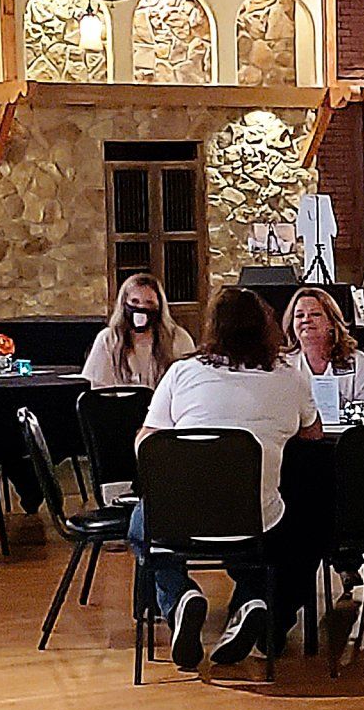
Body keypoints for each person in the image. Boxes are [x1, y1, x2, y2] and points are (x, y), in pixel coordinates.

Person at [132, 287, 323, 670]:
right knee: (298, 525)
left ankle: (179, 597)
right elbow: (313, 436)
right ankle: (254, 599)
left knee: (140, 524)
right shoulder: (289, 377)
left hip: (180, 519)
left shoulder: (182, 372)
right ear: (266, 327)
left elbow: (145, 444)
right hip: (255, 519)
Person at [83, 272, 193, 389]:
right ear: (124, 304)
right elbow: (99, 391)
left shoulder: (179, 338)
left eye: (149, 303)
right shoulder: (107, 339)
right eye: (135, 301)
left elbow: (189, 382)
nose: (141, 307)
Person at [283, 286, 364, 410]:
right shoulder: (283, 364)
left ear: (331, 322)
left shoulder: (357, 362)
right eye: (299, 315)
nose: (306, 320)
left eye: (315, 314)